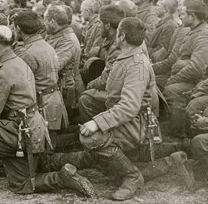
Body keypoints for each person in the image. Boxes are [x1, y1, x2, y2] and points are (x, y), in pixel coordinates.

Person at [51, 18, 192, 200]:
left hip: (137, 124)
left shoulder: (137, 64)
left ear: (122, 36)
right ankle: (170, 161)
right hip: (129, 121)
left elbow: (129, 106)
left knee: (91, 138)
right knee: (100, 160)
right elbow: (110, 88)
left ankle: (132, 176)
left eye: (118, 32)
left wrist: (97, 122)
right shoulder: (126, 57)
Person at [0, 26, 95, 202]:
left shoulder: (2, 71)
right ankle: (62, 178)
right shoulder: (20, 62)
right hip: (32, 129)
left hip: (20, 132)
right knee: (21, 184)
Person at [12, 11, 68, 144]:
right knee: (50, 143)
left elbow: (23, 85)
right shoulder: (45, 45)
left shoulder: (27, 52)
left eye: (13, 27)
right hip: (53, 100)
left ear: (18, 28)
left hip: (42, 104)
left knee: (42, 148)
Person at [162, 0, 208, 136]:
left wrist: (173, 79)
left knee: (171, 90)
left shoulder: (203, 36)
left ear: (192, 16)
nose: (179, 16)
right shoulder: (193, 31)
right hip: (186, 78)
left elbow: (196, 68)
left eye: (183, 13)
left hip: (196, 82)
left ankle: (179, 135)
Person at [43, 4, 82, 116]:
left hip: (64, 88)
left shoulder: (67, 40)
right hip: (57, 86)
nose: (43, 23)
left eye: (45, 20)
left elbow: (54, 65)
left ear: (52, 22)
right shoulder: (55, 35)